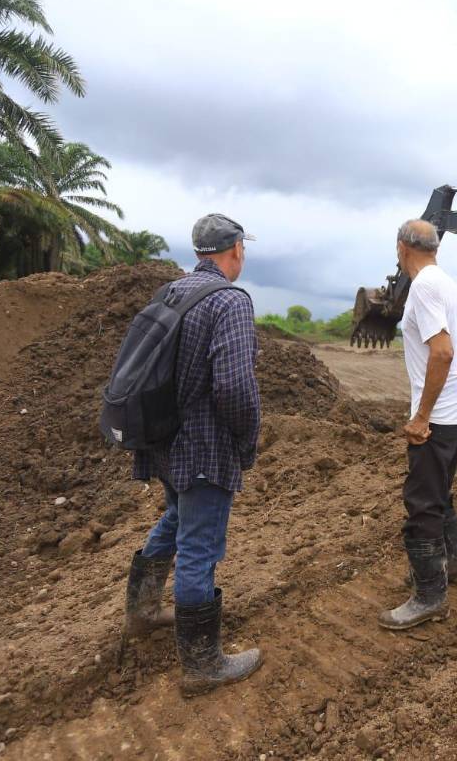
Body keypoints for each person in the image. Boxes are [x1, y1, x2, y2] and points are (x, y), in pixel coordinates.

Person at [123, 213, 264, 694]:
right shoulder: (229, 302)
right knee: (199, 548)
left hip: (163, 442)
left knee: (176, 518)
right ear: (237, 250)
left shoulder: (171, 292)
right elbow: (235, 388)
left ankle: (142, 610)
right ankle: (202, 665)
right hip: (204, 448)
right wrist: (246, 443)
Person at [378, 219, 457, 630]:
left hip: (437, 416)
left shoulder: (424, 288)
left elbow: (442, 352)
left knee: (421, 504)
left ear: (402, 248)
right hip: (455, 409)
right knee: (439, 492)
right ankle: (452, 562)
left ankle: (429, 596)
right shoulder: (447, 283)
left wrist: (421, 417)